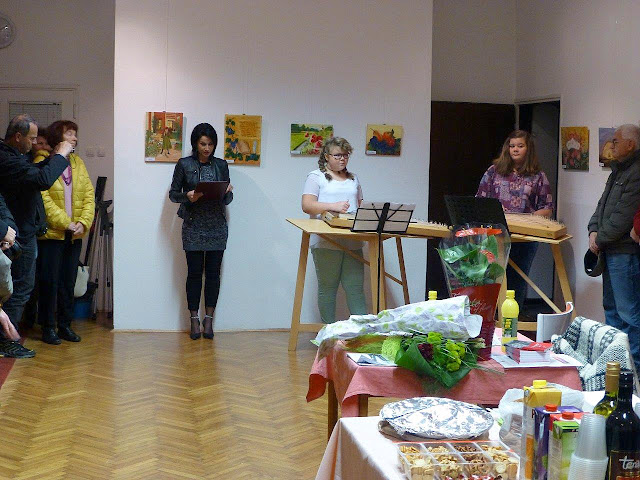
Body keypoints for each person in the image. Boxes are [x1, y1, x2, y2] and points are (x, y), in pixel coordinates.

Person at [0, 114, 72, 358]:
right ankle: (6, 341)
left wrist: (54, 158)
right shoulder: (6, 159)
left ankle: (7, 337)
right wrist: (60, 156)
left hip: (24, 231)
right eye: (31, 139)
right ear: (17, 136)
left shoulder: (16, 157)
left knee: (21, 286)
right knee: (18, 288)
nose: (35, 143)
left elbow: (34, 172)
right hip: (15, 234)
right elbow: (42, 179)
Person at [476, 130, 554, 309]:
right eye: (512, 146)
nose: (515, 149)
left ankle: (512, 319)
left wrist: (526, 218)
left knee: (517, 279)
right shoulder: (494, 171)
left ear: (528, 149)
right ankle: (489, 317)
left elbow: (547, 208)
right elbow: (479, 200)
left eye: (520, 146)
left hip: (524, 237)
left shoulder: (538, 176)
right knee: (490, 277)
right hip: (495, 234)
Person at [169, 123, 233, 339]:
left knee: (213, 275)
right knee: (195, 274)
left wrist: (227, 191)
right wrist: (187, 196)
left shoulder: (221, 165)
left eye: (210, 144)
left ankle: (209, 319)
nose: (207, 148)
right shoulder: (184, 164)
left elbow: (228, 199)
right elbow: (173, 194)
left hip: (216, 226)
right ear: (195, 144)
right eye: (203, 144)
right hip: (193, 225)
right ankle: (194, 319)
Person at [34, 120, 95, 345]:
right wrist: (65, 223)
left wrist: (83, 223)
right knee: (49, 282)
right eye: (70, 133)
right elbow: (43, 200)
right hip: (52, 235)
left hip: (74, 235)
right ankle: (48, 327)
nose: (75, 138)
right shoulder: (42, 162)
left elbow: (88, 196)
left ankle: (65, 326)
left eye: (75, 134)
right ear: (57, 137)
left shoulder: (78, 162)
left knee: (68, 283)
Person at [588, 124, 640, 374]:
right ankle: (615, 367)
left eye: (616, 141)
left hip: (624, 253)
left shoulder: (636, 172)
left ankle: (633, 370)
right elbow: (602, 205)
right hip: (610, 249)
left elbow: (624, 215)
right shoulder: (618, 169)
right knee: (611, 311)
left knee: (628, 314)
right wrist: (592, 230)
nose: (612, 144)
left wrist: (600, 239)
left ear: (630, 144)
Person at [301, 137, 367, 324]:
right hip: (326, 241)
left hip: (353, 240)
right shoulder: (316, 177)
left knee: (355, 288)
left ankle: (361, 333)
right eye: (337, 155)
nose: (342, 159)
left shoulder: (353, 178)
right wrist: (333, 206)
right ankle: (329, 332)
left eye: (346, 155)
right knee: (328, 289)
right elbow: (307, 205)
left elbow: (361, 205)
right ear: (327, 156)